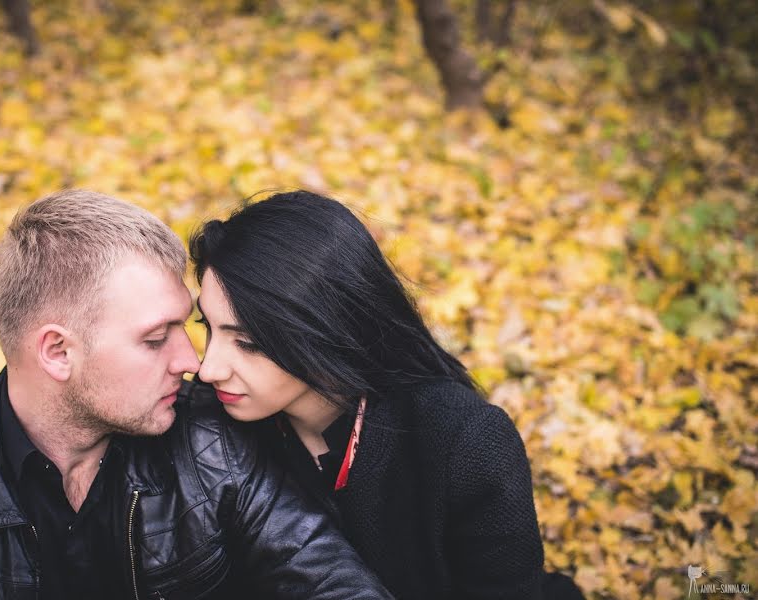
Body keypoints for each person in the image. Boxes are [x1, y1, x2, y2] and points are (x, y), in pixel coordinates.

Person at [0, 189, 393, 600]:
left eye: (188, 327)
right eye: (156, 339)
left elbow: (329, 580)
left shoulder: (214, 435)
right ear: (58, 352)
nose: (193, 365)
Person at [189, 190, 586, 600]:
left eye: (248, 343)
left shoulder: (465, 443)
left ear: (323, 326)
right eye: (208, 326)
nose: (209, 368)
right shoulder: (208, 428)